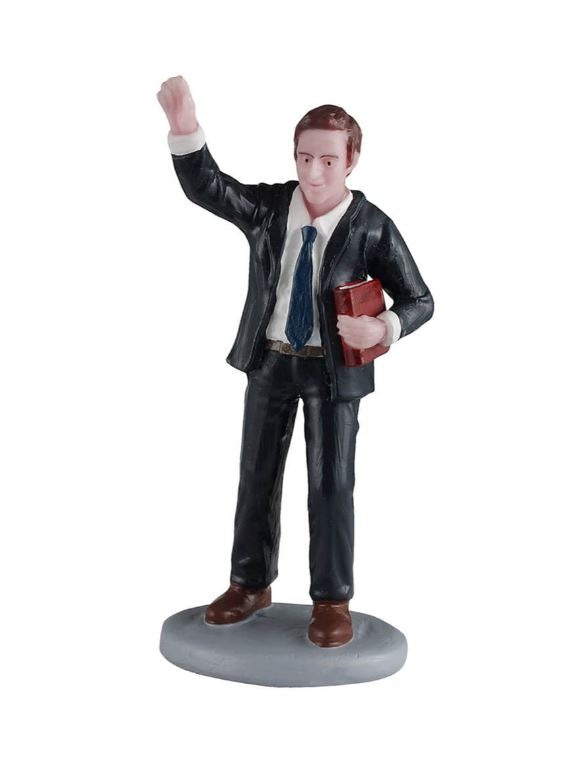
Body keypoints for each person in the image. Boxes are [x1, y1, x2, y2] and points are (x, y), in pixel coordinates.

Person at [157, 76, 434, 647]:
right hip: (271, 361)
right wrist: (185, 129)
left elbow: (420, 298)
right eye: (305, 158)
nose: (314, 172)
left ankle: (332, 598)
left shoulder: (371, 225)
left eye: (328, 160)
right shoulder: (269, 209)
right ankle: (249, 582)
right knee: (256, 475)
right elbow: (210, 188)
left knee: (331, 483)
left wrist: (383, 327)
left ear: (351, 160)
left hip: (333, 374)